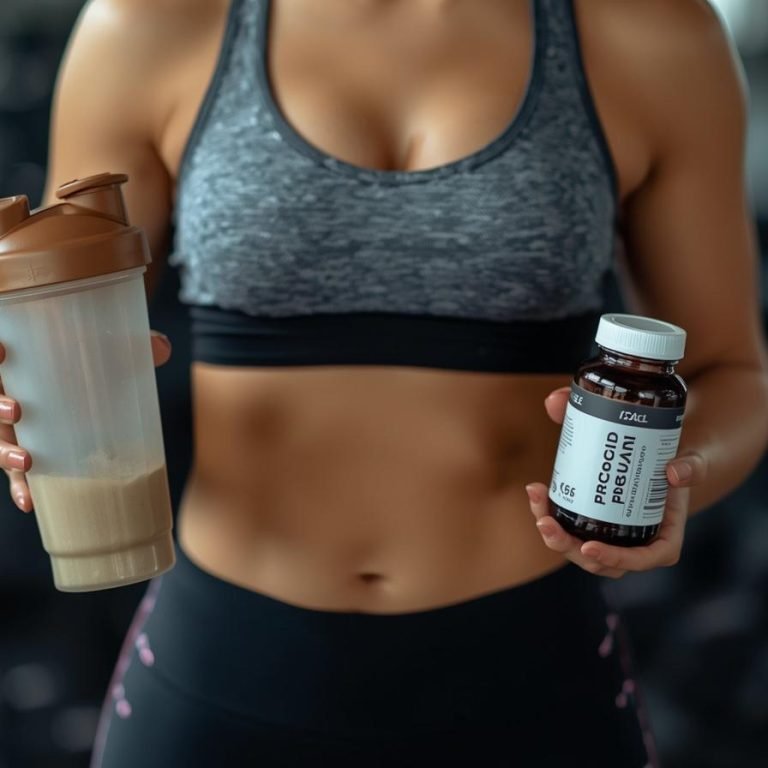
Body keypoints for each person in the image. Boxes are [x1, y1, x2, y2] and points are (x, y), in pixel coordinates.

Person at [2, 0, 767, 765]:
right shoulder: (149, 25)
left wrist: (673, 474)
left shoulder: (649, 33)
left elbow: (733, 374)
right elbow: (52, 314)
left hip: (532, 671)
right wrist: (19, 394)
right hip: (222, 663)